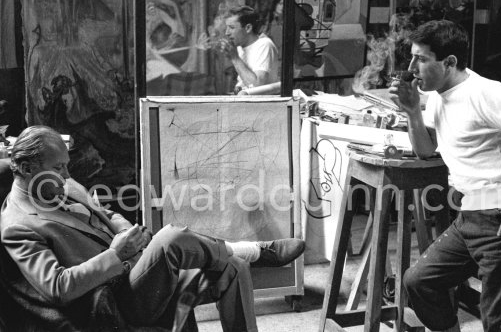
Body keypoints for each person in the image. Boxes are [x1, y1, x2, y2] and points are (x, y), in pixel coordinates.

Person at [0, 126, 305, 331]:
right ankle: (255, 250)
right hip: (114, 299)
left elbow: (103, 212)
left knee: (233, 268)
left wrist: (127, 233)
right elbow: (58, 288)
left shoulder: (57, 185)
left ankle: (242, 254)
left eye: (66, 165)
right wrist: (116, 254)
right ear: (27, 169)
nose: (67, 175)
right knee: (171, 237)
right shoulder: (19, 225)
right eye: (59, 168)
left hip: (135, 269)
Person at [389, 20, 501, 332]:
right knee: (419, 282)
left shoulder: (483, 92)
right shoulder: (437, 95)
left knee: (499, 323)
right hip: (470, 216)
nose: (412, 67)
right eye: (412, 58)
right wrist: (411, 112)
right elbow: (425, 150)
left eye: (421, 59)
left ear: (449, 62)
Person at [219, 6, 279, 95]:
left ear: (248, 28)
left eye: (231, 27)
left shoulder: (264, 45)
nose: (227, 33)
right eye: (227, 28)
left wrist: (235, 58)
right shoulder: (239, 47)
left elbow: (256, 87)